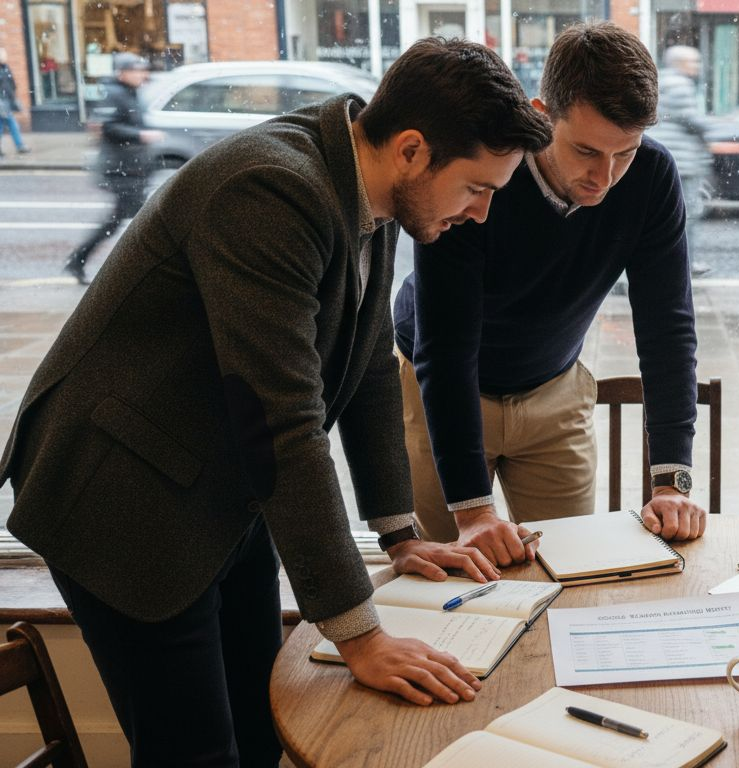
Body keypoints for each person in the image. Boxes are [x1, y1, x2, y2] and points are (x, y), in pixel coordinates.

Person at [0, 38, 552, 766]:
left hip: (221, 481)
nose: (481, 213)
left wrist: (400, 533)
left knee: (263, 729)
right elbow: (283, 425)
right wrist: (363, 637)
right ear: (413, 150)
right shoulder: (270, 190)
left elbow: (371, 369)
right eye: (477, 188)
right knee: (195, 757)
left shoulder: (373, 186)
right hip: (123, 496)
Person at [394, 22, 706, 565]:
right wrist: (473, 512)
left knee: (569, 572)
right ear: (542, 114)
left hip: (555, 389)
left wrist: (672, 480)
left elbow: (668, 328)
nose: (604, 177)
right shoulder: (482, 173)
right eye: (586, 150)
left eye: (624, 153)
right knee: (450, 572)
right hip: (439, 388)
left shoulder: (652, 176)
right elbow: (445, 348)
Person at [62, 53, 162, 285]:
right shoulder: (114, 94)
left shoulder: (129, 93)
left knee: (123, 220)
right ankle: (137, 271)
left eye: (142, 70)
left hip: (132, 167)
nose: (141, 74)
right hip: (120, 169)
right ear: (122, 73)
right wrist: (140, 135)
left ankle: (79, 260)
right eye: (136, 70)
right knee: (139, 221)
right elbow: (107, 127)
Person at [646, 45, 713, 277]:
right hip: (683, 160)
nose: (697, 67)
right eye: (694, 62)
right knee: (687, 215)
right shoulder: (680, 85)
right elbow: (691, 120)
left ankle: (676, 263)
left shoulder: (660, 81)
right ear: (681, 63)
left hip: (668, 155)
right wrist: (719, 126)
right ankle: (684, 265)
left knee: (661, 215)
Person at [0, 47, 32, 157]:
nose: (5, 57)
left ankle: (20, 146)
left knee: (2, 125)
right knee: (12, 123)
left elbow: (11, 83)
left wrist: (13, 95)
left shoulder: (5, 67)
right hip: (2, 102)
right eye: (3, 55)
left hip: (7, 101)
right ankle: (20, 146)